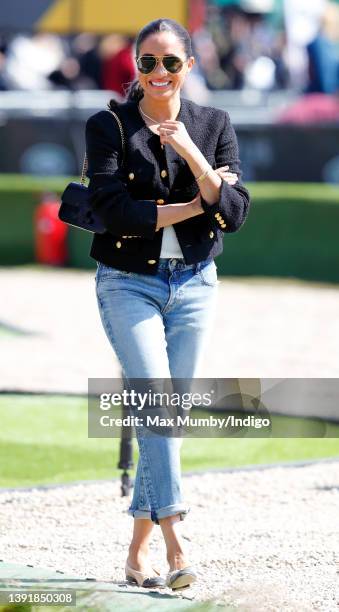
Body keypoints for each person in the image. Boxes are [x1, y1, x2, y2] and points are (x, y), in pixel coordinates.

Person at [85, 17, 250, 592]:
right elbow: (115, 211)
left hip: (196, 285)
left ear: (189, 66)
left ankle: (135, 553)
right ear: (136, 66)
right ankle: (177, 543)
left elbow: (236, 211)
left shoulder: (214, 124)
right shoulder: (108, 125)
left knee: (165, 420)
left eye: (170, 62)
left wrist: (192, 156)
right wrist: (198, 203)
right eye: (148, 62)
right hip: (127, 281)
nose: (159, 72)